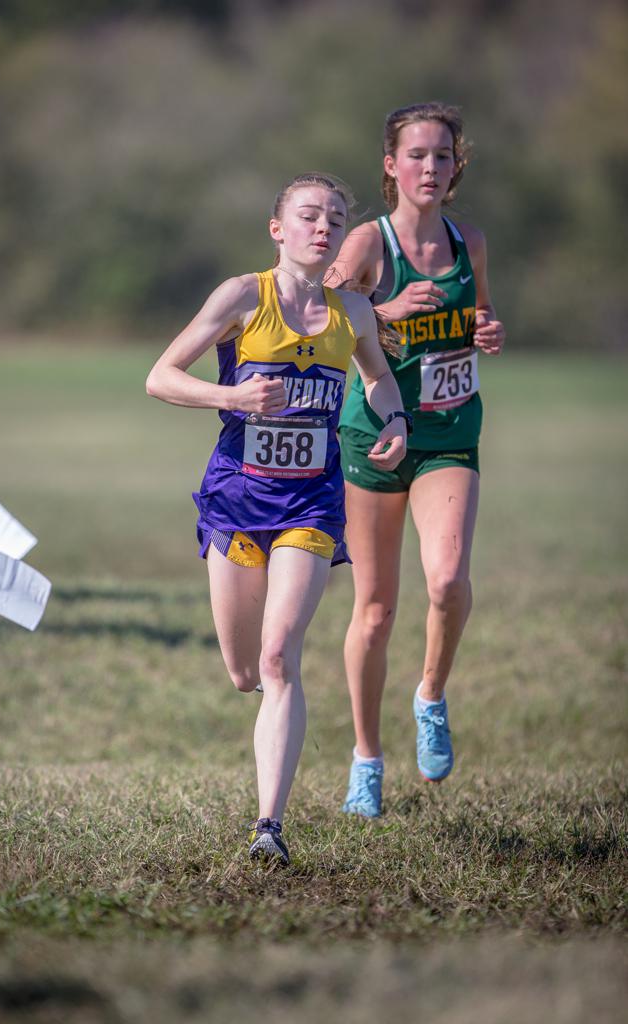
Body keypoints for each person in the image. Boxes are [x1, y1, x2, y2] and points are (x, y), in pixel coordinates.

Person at [146, 173, 409, 864]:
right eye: (308, 215)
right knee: (243, 670)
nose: (323, 227)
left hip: (311, 503)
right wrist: (230, 395)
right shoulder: (241, 296)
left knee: (278, 656)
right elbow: (161, 375)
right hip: (237, 497)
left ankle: (269, 828)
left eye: (336, 217)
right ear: (278, 228)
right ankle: (270, 708)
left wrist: (398, 418)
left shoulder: (353, 310)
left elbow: (378, 377)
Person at [327, 104, 506, 818]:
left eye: (442, 156)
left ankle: (430, 695)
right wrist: (388, 309)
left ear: (455, 167)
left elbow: (480, 315)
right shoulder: (370, 243)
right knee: (374, 612)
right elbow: (325, 317)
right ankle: (366, 758)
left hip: (450, 432)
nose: (430, 169)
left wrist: (487, 329)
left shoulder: (472, 242)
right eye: (417, 156)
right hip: (374, 434)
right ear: (390, 165)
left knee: (448, 581)